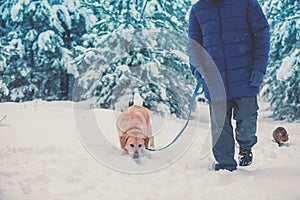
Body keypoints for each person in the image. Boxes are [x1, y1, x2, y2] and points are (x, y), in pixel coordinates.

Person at [188, 0, 270, 171]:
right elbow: (194, 47)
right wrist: (198, 70)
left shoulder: (247, 3)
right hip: (214, 80)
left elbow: (262, 34)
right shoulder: (197, 10)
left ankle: (246, 146)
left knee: (247, 121)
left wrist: (259, 69)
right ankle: (225, 165)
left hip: (245, 77)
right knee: (220, 126)